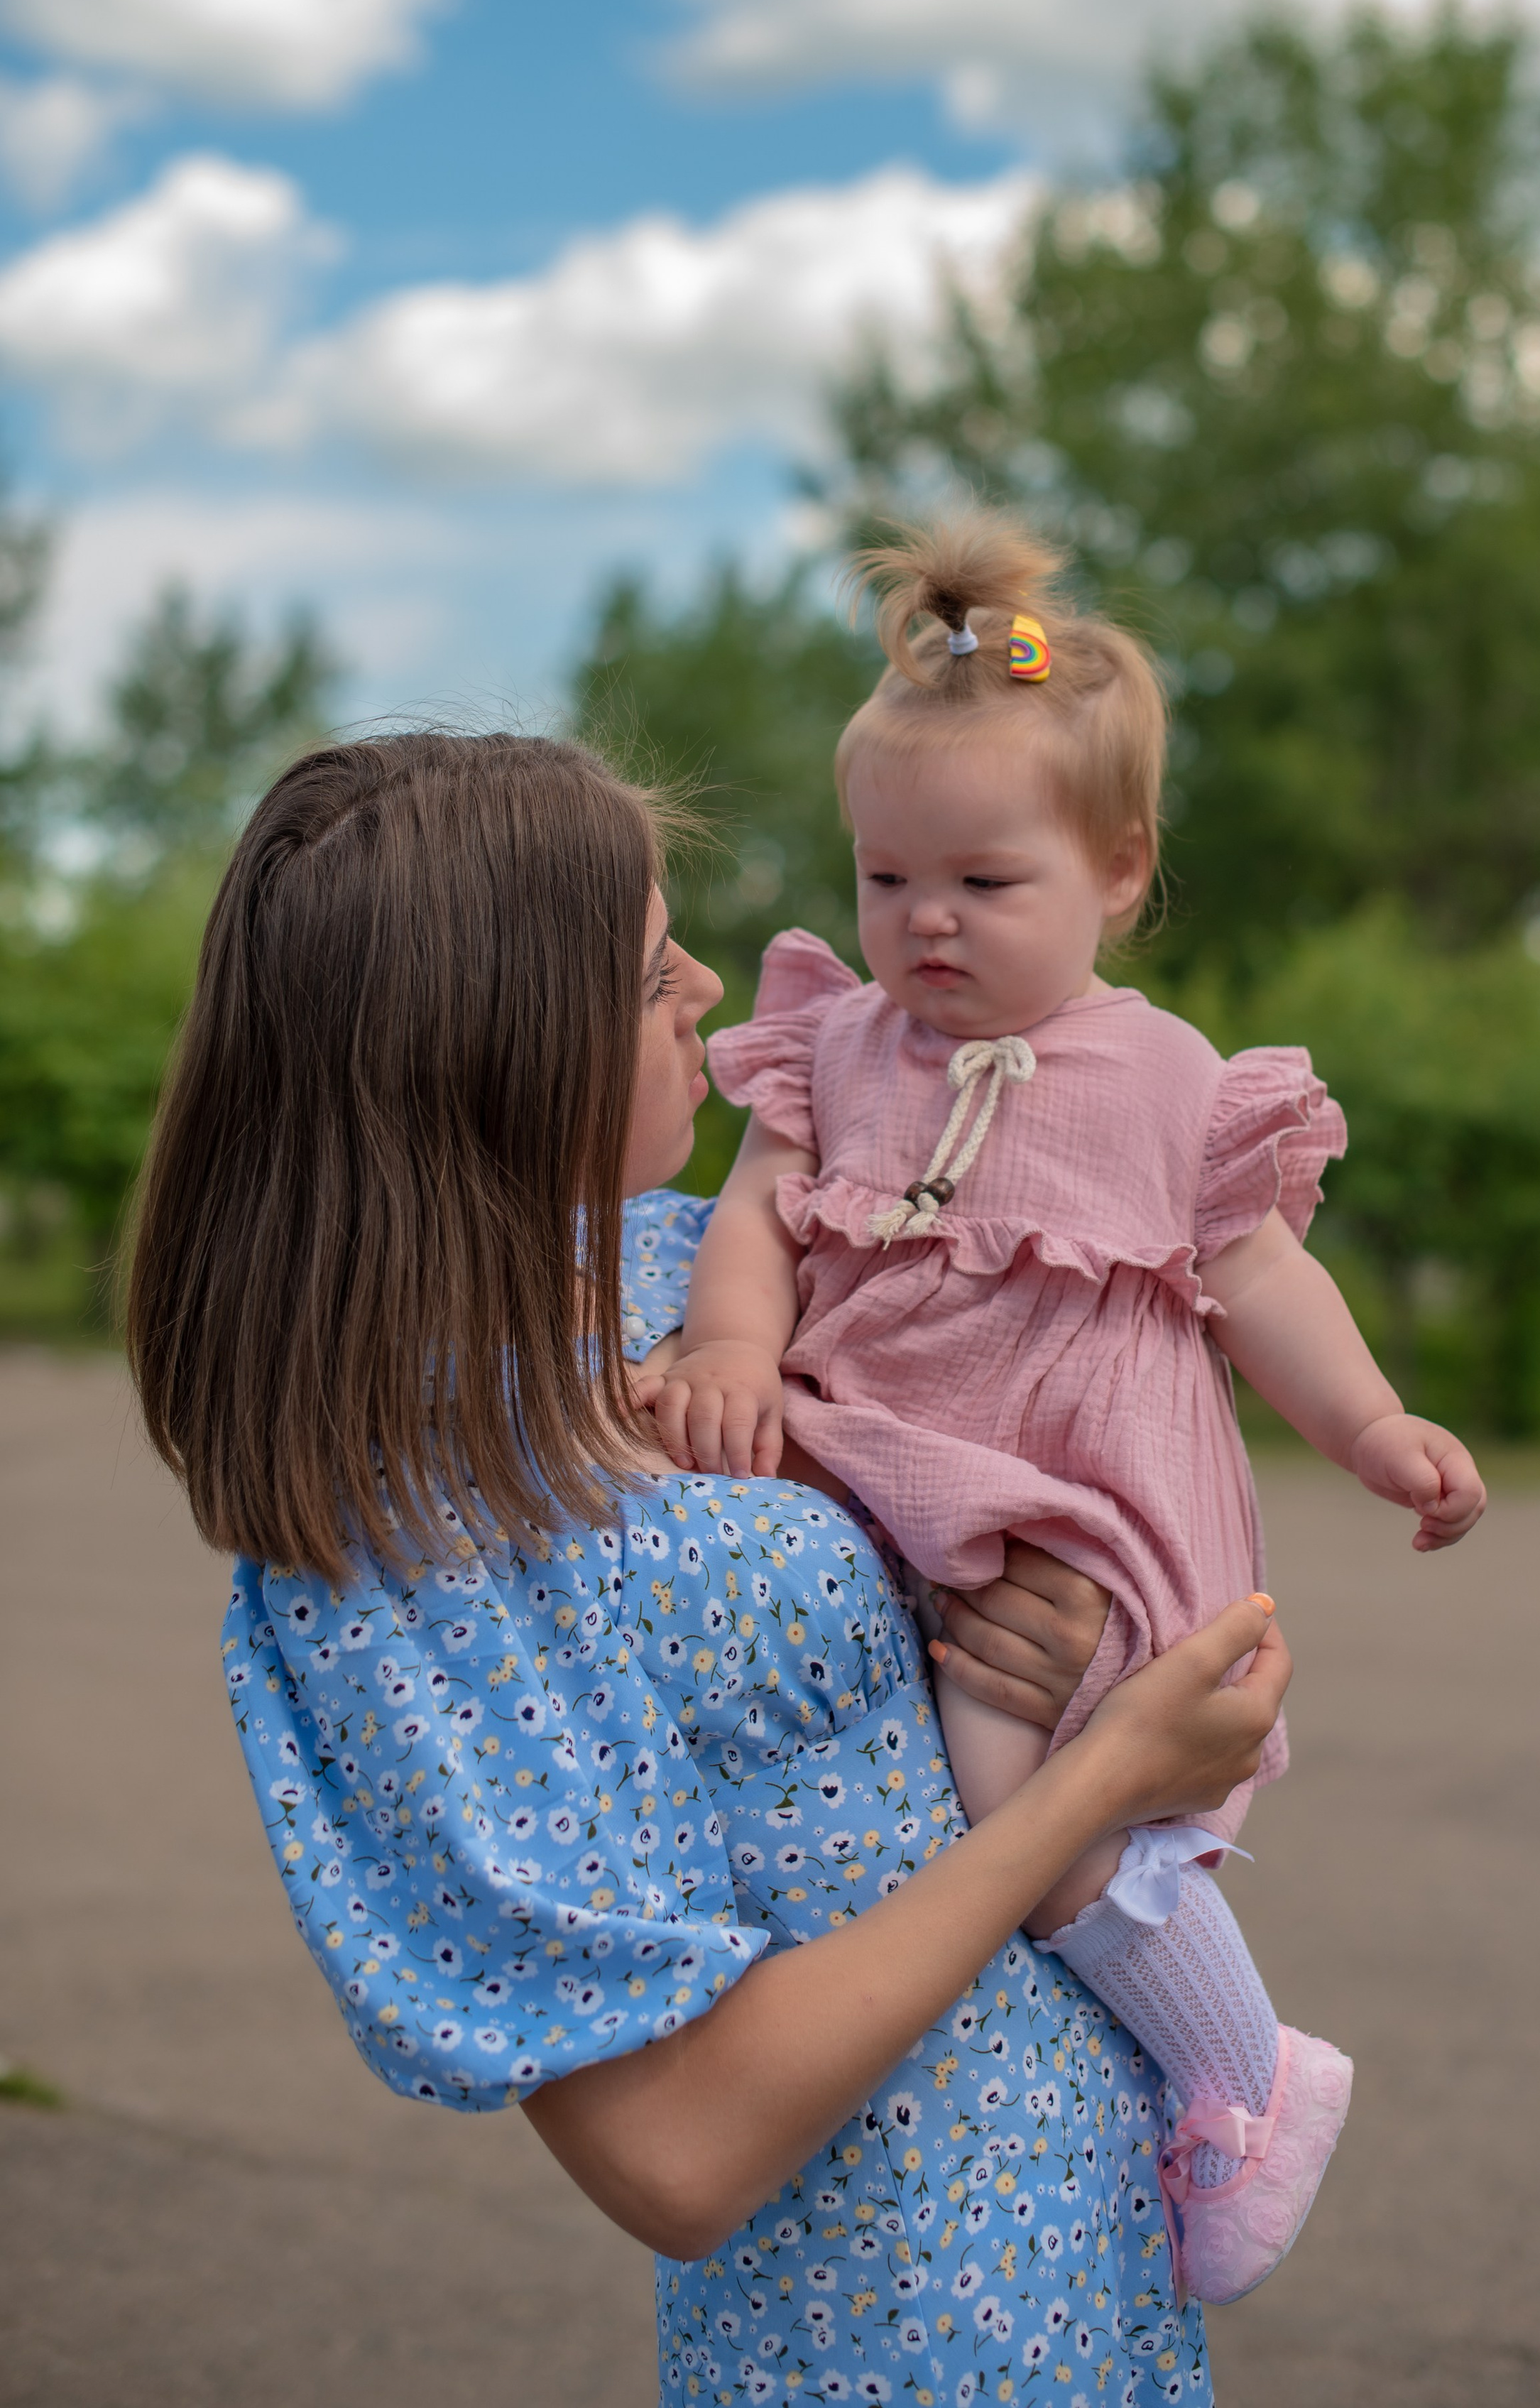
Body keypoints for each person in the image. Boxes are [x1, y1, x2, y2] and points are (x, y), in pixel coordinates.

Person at [127, 729, 1295, 2404]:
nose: (701, 979)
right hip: (898, 2329)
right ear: (492, 1042)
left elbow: (1065, 1395)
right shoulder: (407, 1531)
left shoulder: (679, 1269)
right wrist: (1099, 1780)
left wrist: (1053, 1616)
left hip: (1084, 2238)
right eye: (642, 959)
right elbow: (675, 2151)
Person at [640, 516, 1487, 2302]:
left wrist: (1372, 1429)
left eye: (980, 882)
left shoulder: (1175, 1079)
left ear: (1116, 870)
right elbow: (752, 1219)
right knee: (948, 1783)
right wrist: (726, 1346)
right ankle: (1166, 2064)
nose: (919, 923)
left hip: (1069, 1496)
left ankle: (1244, 2074)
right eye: (884, 879)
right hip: (886, 1447)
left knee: (1020, 1797)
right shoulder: (833, 1043)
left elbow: (1260, 1283)